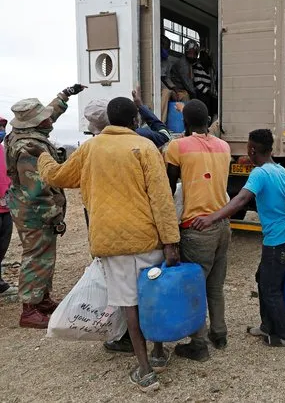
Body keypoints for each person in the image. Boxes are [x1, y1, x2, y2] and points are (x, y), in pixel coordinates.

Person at [36, 97, 180, 392]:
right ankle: (159, 353)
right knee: (152, 298)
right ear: (134, 121)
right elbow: (162, 198)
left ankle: (145, 371)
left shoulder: (90, 148)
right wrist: (170, 241)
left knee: (130, 305)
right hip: (147, 237)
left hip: (113, 242)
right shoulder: (146, 147)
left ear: (106, 120)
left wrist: (43, 157)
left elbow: (59, 176)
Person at [192, 129, 285, 348]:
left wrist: (211, 218)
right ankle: (267, 326)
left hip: (279, 239)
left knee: (271, 287)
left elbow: (242, 199)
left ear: (252, 150)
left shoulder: (260, 174)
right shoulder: (283, 171)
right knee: (263, 278)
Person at [4, 84, 85, 328]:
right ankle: (29, 309)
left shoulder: (26, 132)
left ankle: (42, 299)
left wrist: (65, 95)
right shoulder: (29, 147)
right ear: (34, 124)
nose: (48, 120)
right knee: (36, 255)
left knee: (45, 255)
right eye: (43, 119)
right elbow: (37, 191)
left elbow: (50, 113)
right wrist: (54, 216)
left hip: (27, 206)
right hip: (34, 211)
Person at [165, 99, 232, 360]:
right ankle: (220, 333)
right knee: (215, 285)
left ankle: (199, 344)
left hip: (197, 226)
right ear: (208, 121)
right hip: (222, 223)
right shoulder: (224, 147)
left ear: (185, 122)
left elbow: (169, 187)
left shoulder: (177, 146)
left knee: (195, 287)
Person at [84, 89, 171, 148]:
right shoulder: (140, 136)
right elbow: (165, 136)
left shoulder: (89, 147)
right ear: (134, 121)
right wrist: (141, 106)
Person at [0, 117, 17, 296]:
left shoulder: (4, 150)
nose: (2, 131)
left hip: (6, 207)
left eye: (3, 127)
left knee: (2, 247)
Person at [160, 35, 178, 123]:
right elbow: (158, 79)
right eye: (165, 47)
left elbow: (167, 78)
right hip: (158, 88)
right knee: (167, 92)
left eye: (168, 47)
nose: (168, 49)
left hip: (165, 85)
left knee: (184, 95)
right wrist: (170, 90)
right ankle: (161, 122)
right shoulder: (154, 58)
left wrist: (174, 88)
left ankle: (182, 123)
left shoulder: (167, 62)